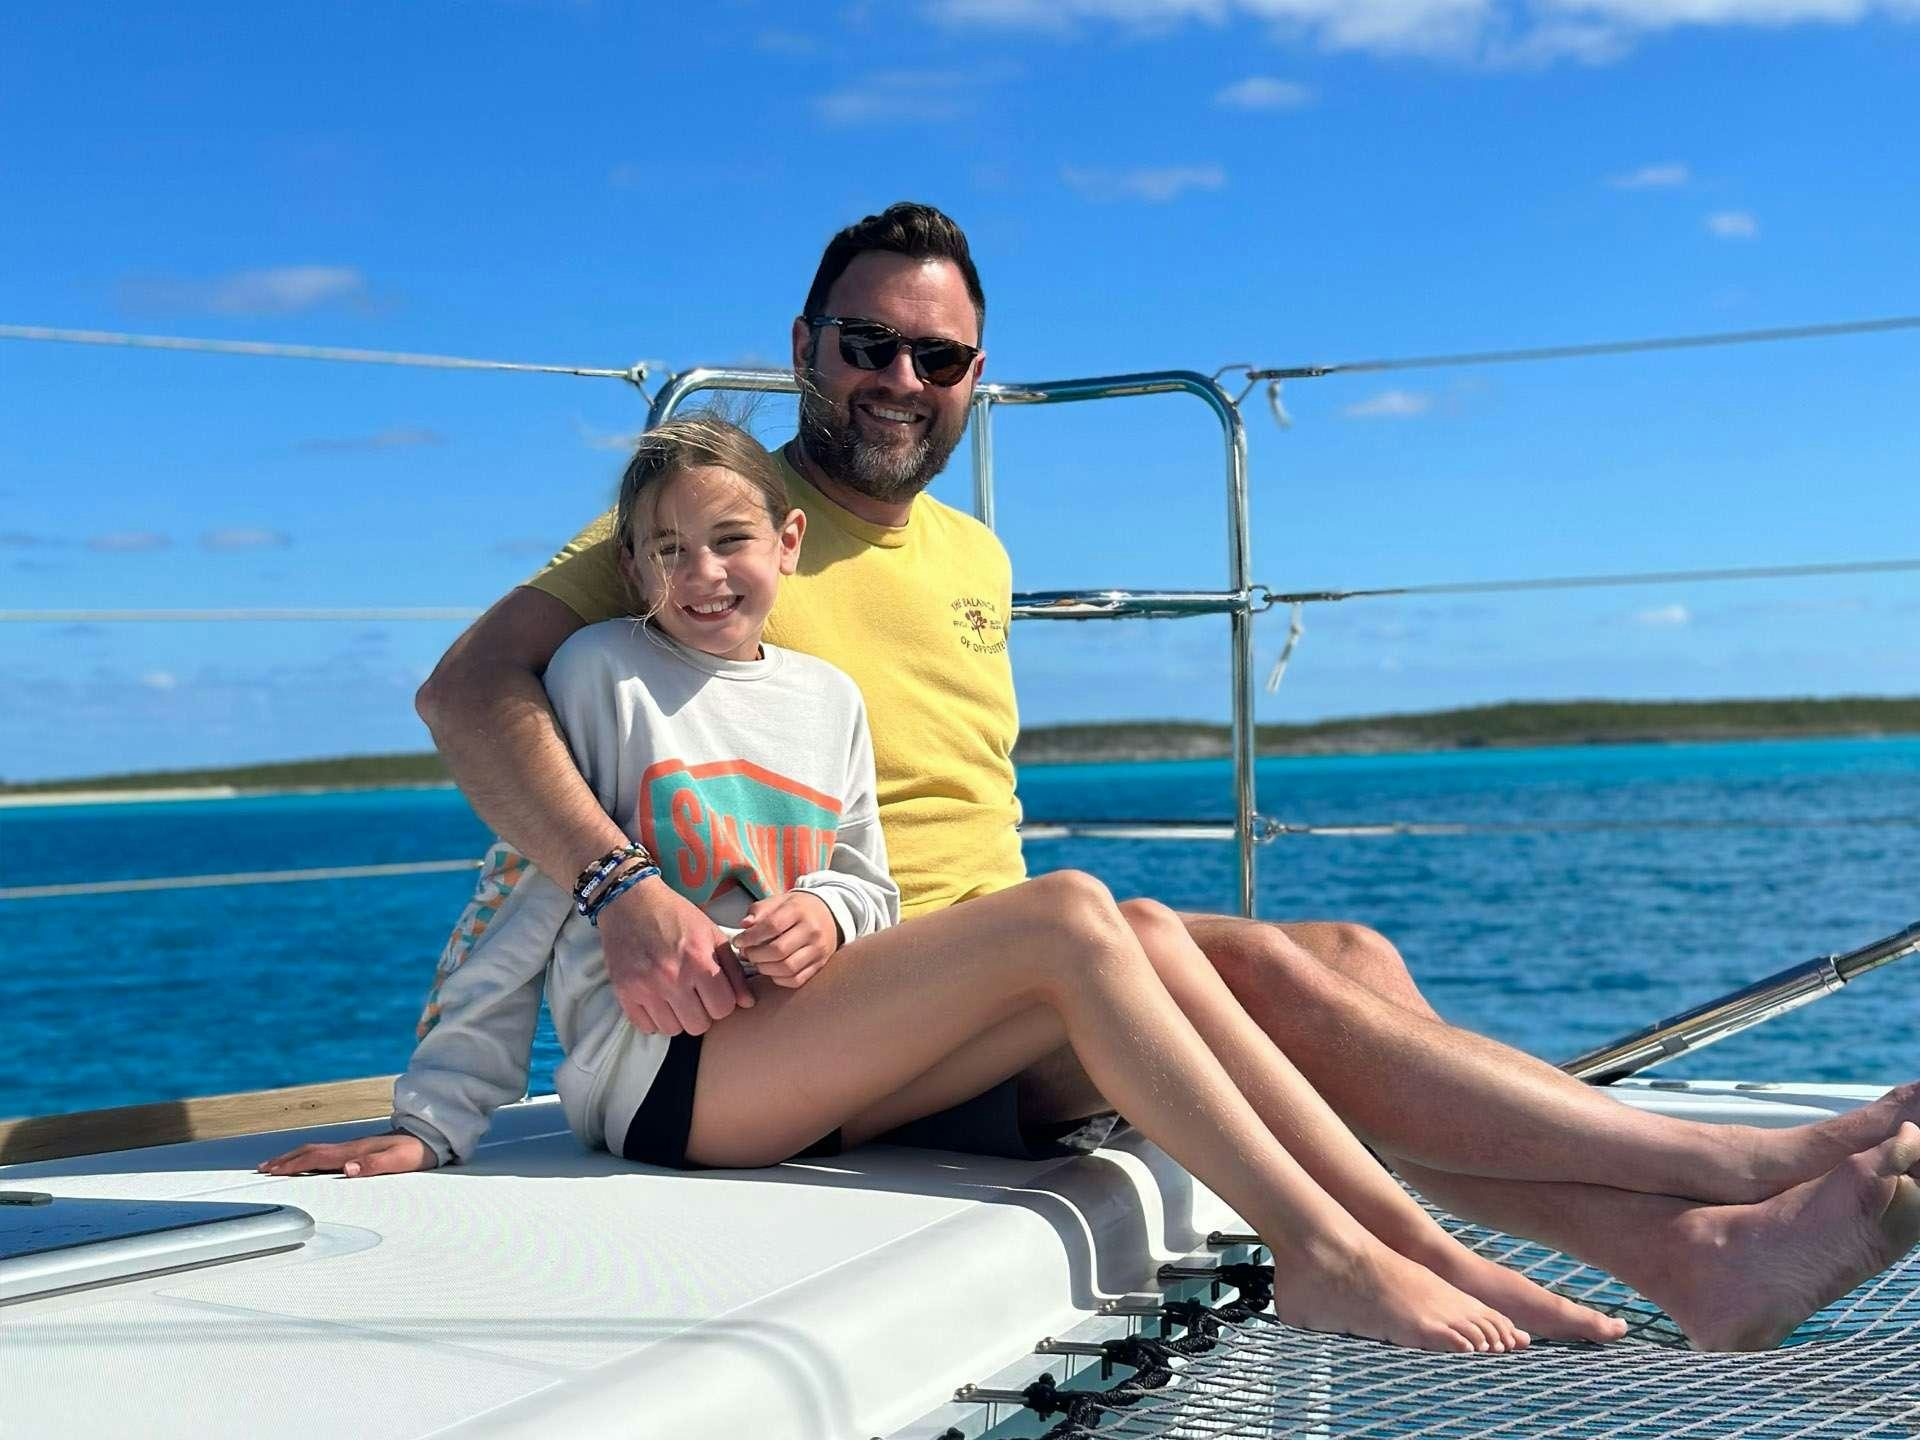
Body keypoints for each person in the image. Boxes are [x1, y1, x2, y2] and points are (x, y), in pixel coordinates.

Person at [410, 203, 1920, 1351]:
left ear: (976, 381)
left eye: (935, 357)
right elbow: (470, 691)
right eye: (865, 343)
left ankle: (1691, 1261)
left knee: (1342, 960)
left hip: (976, 995)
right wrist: (618, 891)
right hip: (831, 1025)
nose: (897, 379)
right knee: (1110, 924)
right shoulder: (716, 526)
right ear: (802, 348)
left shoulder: (974, 556)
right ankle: (1704, 1168)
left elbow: (910, 831)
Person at [258, 414, 1608, 1354]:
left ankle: (1405, 1243)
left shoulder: (826, 701)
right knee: (1076, 912)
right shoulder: (604, 675)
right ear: (633, 569)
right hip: (666, 1084)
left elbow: (869, 890)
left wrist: (822, 917)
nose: (700, 574)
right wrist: (436, 1121)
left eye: (728, 540)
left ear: (788, 543)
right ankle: (1326, 1254)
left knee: (1144, 933)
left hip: (812, 1061)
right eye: (665, 552)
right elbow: (519, 899)